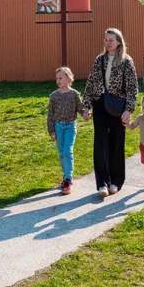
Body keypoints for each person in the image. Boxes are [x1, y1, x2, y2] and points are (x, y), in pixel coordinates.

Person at [82, 28, 139, 199]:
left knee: (116, 143)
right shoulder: (100, 60)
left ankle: (116, 181)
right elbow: (91, 83)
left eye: (111, 40)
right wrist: (86, 106)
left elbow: (132, 87)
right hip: (100, 105)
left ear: (119, 42)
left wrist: (129, 110)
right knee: (100, 143)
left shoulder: (126, 61)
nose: (107, 43)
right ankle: (102, 183)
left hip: (117, 106)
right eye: (105, 40)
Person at [47, 66, 83, 195]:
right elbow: (50, 115)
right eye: (57, 78)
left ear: (69, 79)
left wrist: (86, 114)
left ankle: (68, 178)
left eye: (61, 78)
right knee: (61, 152)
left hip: (70, 126)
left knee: (68, 150)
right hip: (58, 127)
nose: (58, 80)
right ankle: (65, 175)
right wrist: (51, 131)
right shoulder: (54, 96)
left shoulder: (74, 94)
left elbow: (81, 108)